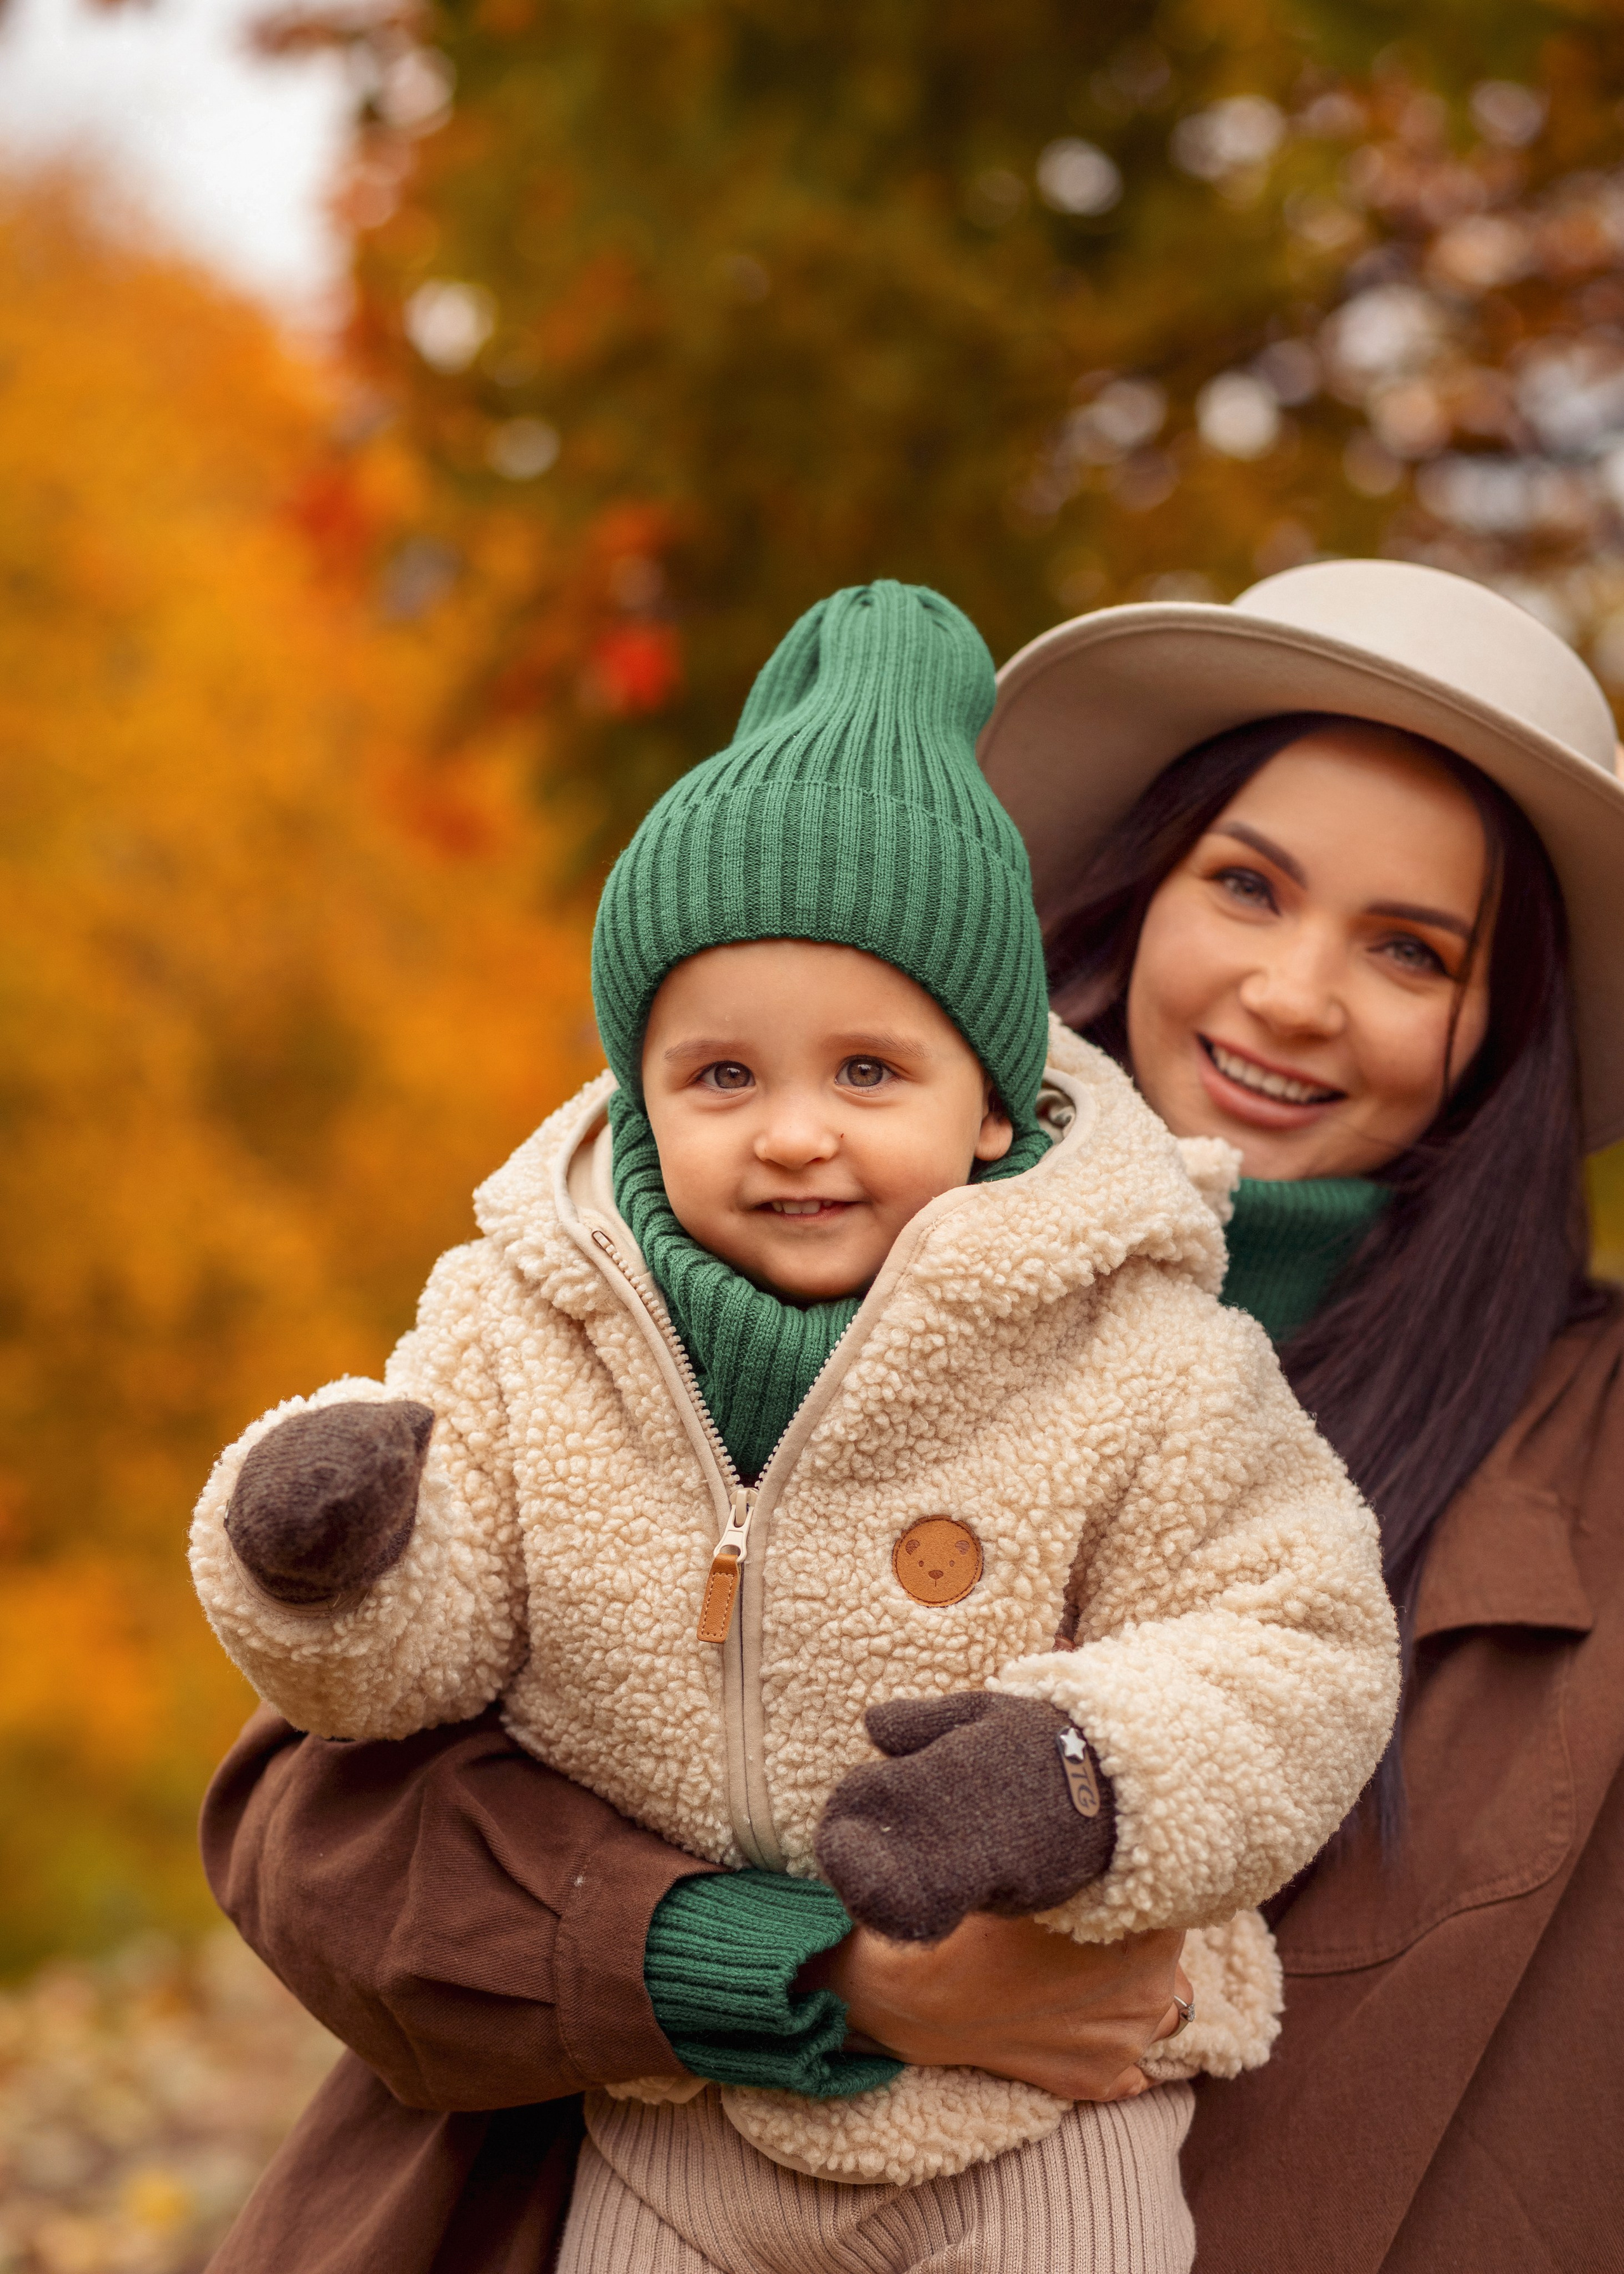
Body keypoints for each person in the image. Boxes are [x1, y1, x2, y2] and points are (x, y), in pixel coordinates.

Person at [200, 557, 1621, 2274]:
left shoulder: (1573, 1442)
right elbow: (318, 1826)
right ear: (1137, 894)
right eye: (1248, 886)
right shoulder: (704, 1269)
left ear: (1505, 1028)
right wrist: (804, 1971)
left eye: (1412, 948)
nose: (1298, 992)